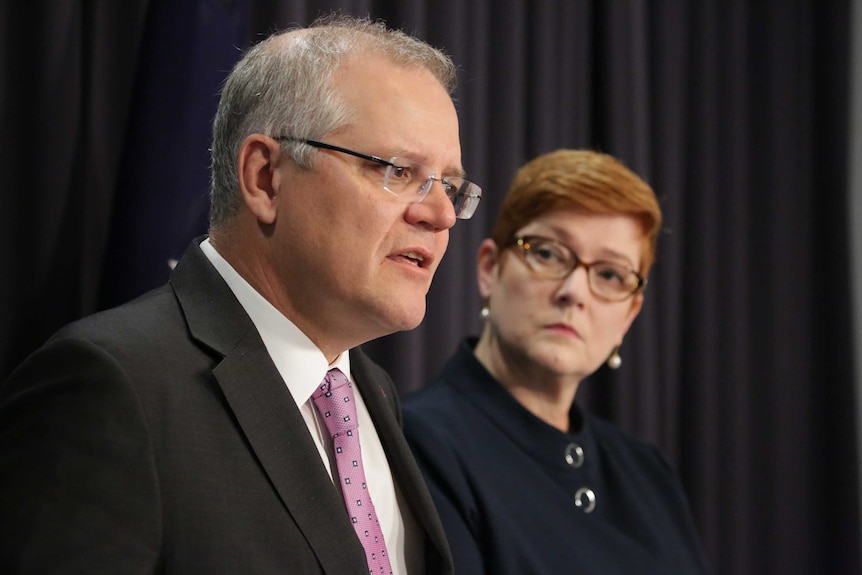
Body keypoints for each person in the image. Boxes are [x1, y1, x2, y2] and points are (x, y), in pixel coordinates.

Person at [0, 14, 482, 575]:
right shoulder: (110, 387)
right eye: (399, 171)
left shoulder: (372, 395)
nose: (442, 214)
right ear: (265, 177)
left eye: (450, 185)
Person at [402, 149, 708, 574]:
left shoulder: (647, 471)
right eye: (547, 253)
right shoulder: (416, 442)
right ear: (490, 268)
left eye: (610, 275)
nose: (574, 292)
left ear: (630, 315)